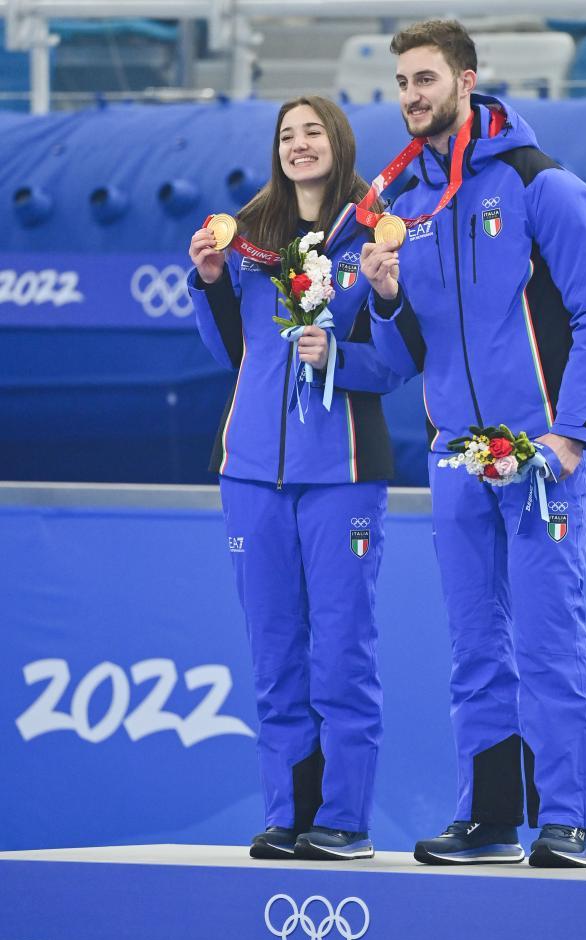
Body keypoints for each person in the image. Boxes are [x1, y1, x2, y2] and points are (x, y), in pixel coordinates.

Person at [362, 20, 586, 867]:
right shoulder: (406, 211)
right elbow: (409, 357)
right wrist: (388, 299)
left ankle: (569, 819)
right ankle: (490, 820)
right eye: (402, 81)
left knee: (548, 638)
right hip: (455, 457)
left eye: (427, 78)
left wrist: (572, 435)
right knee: (477, 647)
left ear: (467, 81)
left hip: (541, 455)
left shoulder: (539, 185)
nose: (412, 95)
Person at [187, 96, 402, 861]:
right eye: (287, 135)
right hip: (250, 476)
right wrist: (212, 281)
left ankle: (343, 819)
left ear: (338, 143)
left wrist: (346, 347)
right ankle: (289, 813)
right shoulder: (247, 241)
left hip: (342, 474)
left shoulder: (371, 234)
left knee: (342, 651)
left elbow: (404, 363)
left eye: (313, 132)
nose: (299, 144)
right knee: (276, 653)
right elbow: (232, 356)